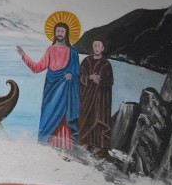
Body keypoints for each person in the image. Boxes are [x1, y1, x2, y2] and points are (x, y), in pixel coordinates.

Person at [17, 12, 80, 149]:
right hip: (51, 90)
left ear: (66, 33)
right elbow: (37, 68)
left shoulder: (73, 51)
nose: (60, 33)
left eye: (62, 31)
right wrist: (24, 56)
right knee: (49, 115)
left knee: (64, 116)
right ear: (54, 33)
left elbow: (77, 72)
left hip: (66, 90)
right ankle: (49, 145)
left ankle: (66, 145)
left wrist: (72, 75)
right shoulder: (50, 50)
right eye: (58, 31)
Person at [79, 37, 114, 158]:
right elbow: (79, 76)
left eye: (99, 45)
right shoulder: (86, 61)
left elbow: (110, 82)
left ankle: (98, 145)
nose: (96, 48)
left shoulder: (106, 64)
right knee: (86, 117)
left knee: (99, 118)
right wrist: (89, 78)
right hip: (87, 96)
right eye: (95, 45)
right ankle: (85, 142)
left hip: (101, 98)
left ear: (103, 48)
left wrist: (99, 81)